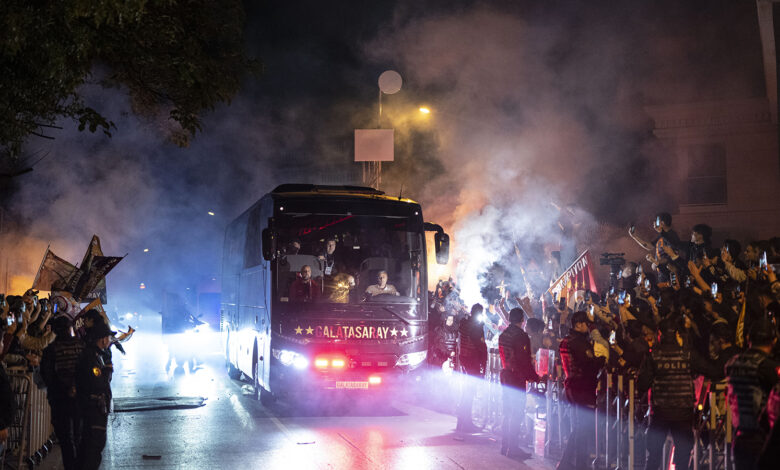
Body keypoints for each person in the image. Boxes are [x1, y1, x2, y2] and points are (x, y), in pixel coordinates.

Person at [638, 318, 719, 470]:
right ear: (676, 334)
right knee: (683, 457)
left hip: (661, 413)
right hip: (683, 413)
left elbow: (642, 384)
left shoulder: (654, 356)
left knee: (654, 456)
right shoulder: (688, 355)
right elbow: (712, 371)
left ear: (659, 333)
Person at [725, 319, 780, 470]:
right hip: (764, 441)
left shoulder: (732, 363)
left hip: (740, 437)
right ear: (774, 340)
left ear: (748, 338)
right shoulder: (768, 368)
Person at [557, 311, 605, 470]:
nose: (588, 327)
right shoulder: (579, 343)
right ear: (578, 324)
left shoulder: (565, 341)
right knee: (582, 428)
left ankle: (567, 463)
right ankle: (578, 465)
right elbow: (588, 365)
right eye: (586, 323)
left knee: (578, 427)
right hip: (582, 387)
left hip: (571, 386)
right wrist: (601, 360)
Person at [41, 316, 85, 470]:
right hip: (80, 398)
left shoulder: (50, 351)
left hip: (60, 400)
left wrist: (64, 389)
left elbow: (47, 377)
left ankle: (71, 466)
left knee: (66, 439)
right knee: (79, 436)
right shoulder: (82, 346)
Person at [498, 307, 539, 459]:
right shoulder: (521, 336)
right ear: (522, 320)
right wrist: (534, 377)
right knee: (516, 413)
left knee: (507, 411)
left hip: (505, 375)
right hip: (516, 378)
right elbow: (524, 360)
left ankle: (505, 446)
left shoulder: (503, 335)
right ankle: (513, 448)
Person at [75, 320, 115, 470]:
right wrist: (108, 370)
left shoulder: (96, 354)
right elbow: (98, 383)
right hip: (93, 408)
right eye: (109, 338)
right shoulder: (91, 357)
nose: (110, 341)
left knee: (90, 448)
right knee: (92, 447)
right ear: (103, 338)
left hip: (93, 408)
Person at [455, 303, 487, 433]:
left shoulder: (464, 324)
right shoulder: (476, 327)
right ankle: (464, 424)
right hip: (472, 360)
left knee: (466, 392)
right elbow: (480, 346)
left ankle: (463, 422)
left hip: (463, 359)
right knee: (469, 393)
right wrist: (483, 363)